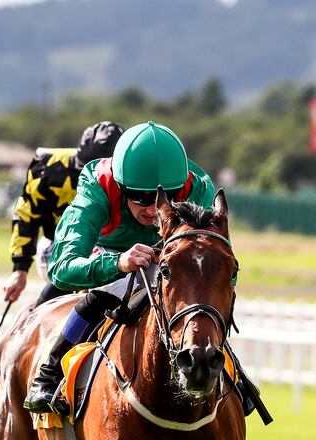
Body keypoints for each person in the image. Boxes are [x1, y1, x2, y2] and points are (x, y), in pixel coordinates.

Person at [23, 121, 217, 414]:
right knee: (114, 286)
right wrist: (118, 263)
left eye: (165, 198)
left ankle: (231, 372)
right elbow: (62, 268)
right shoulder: (98, 185)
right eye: (140, 198)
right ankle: (49, 372)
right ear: (120, 185)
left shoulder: (199, 188)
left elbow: (214, 261)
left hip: (168, 254)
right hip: (106, 250)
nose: (152, 210)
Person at [2, 121, 124, 305]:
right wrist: (19, 270)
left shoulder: (134, 177)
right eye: (82, 169)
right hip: (56, 246)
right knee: (83, 263)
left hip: (111, 248)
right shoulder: (47, 166)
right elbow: (26, 216)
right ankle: (39, 311)